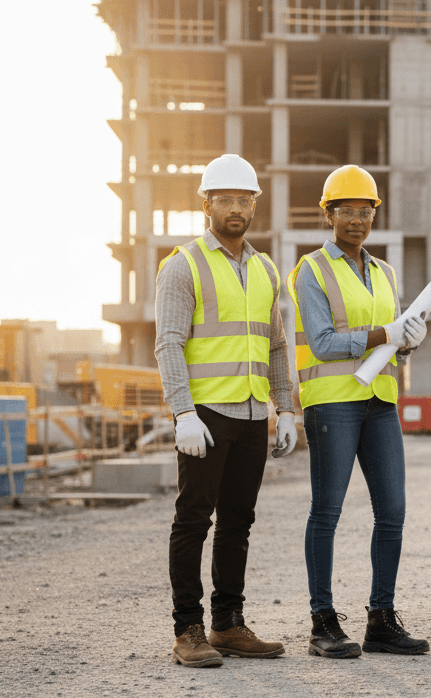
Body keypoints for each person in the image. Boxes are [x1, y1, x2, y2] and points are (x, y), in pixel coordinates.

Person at [156, 154, 297, 667]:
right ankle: (187, 630)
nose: (235, 208)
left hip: (253, 415)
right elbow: (169, 343)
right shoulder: (184, 265)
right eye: (225, 200)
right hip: (206, 416)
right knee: (193, 519)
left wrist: (285, 408)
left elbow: (276, 345)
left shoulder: (264, 269)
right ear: (207, 205)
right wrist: (183, 413)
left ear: (254, 205)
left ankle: (228, 625)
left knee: (238, 521)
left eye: (244, 200)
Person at [289, 165, 430, 659]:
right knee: (326, 511)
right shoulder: (311, 270)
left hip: (380, 402)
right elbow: (323, 343)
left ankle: (381, 620)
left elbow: (389, 341)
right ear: (327, 215)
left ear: (375, 214)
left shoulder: (385, 272)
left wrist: (406, 342)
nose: (356, 219)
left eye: (365, 210)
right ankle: (322, 622)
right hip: (332, 402)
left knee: (392, 511)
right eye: (346, 210)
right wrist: (384, 335)